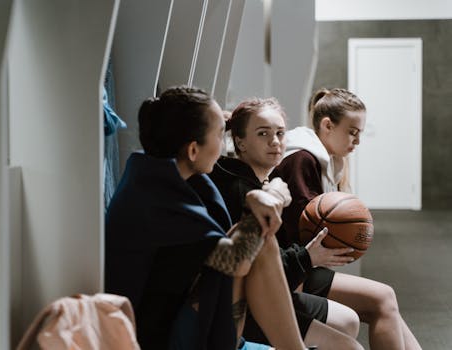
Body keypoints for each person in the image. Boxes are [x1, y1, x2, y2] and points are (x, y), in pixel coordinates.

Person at [105, 86, 309, 350]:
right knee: (260, 239)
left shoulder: (154, 173)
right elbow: (234, 261)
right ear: (193, 150)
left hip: (175, 319)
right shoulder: (157, 195)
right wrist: (272, 196)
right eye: (219, 134)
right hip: (158, 341)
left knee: (256, 235)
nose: (225, 144)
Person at [210, 97, 364, 350]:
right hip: (243, 305)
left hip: (270, 285)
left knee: (348, 321)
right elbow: (257, 267)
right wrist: (306, 257)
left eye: (280, 133)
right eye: (263, 133)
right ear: (240, 142)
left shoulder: (265, 183)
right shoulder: (243, 192)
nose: (275, 141)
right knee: (350, 342)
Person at [276, 88, 422, 349]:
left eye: (360, 134)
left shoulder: (325, 160)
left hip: (301, 266)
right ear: (328, 125)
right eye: (353, 132)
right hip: (289, 272)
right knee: (383, 298)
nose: (357, 141)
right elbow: (308, 229)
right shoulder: (302, 159)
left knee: (385, 300)